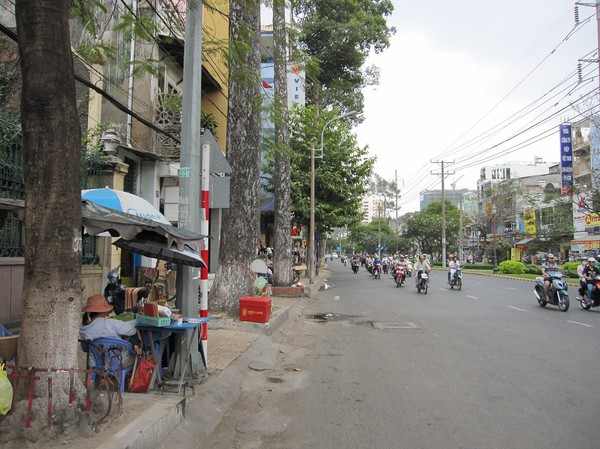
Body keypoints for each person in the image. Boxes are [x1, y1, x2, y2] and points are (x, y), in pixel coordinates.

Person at [80, 294, 138, 367]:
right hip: (118, 362)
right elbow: (131, 330)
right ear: (102, 312)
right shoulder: (109, 323)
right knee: (138, 357)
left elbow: (84, 348)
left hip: (96, 364)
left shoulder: (84, 329)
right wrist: (138, 319)